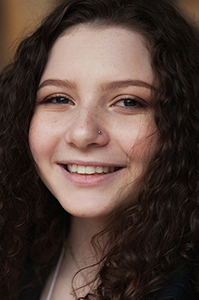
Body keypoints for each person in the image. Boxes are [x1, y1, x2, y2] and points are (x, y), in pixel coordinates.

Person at [0, 0, 199, 299]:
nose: (82, 133)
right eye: (58, 98)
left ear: (182, 124)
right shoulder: (14, 262)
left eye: (128, 102)